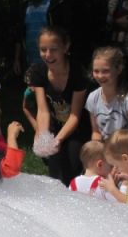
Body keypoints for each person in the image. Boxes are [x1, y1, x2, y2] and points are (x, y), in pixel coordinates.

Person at [29, 26, 89, 184]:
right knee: (55, 174)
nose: (48, 55)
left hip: (78, 128)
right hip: (54, 126)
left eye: (53, 49)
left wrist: (58, 140)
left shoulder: (78, 73)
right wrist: (43, 137)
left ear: (66, 47)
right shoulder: (38, 71)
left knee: (71, 169)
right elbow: (43, 111)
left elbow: (75, 116)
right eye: (43, 50)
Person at [85, 45, 128, 158]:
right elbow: (96, 132)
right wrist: (97, 149)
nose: (100, 76)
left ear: (119, 69)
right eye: (96, 71)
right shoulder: (92, 98)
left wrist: (123, 156)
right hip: (109, 155)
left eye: (105, 71)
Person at [12, 0, 69, 77]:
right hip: (31, 60)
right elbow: (19, 35)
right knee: (34, 85)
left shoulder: (56, 4)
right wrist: (17, 59)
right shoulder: (24, 7)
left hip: (52, 58)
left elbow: (65, 33)